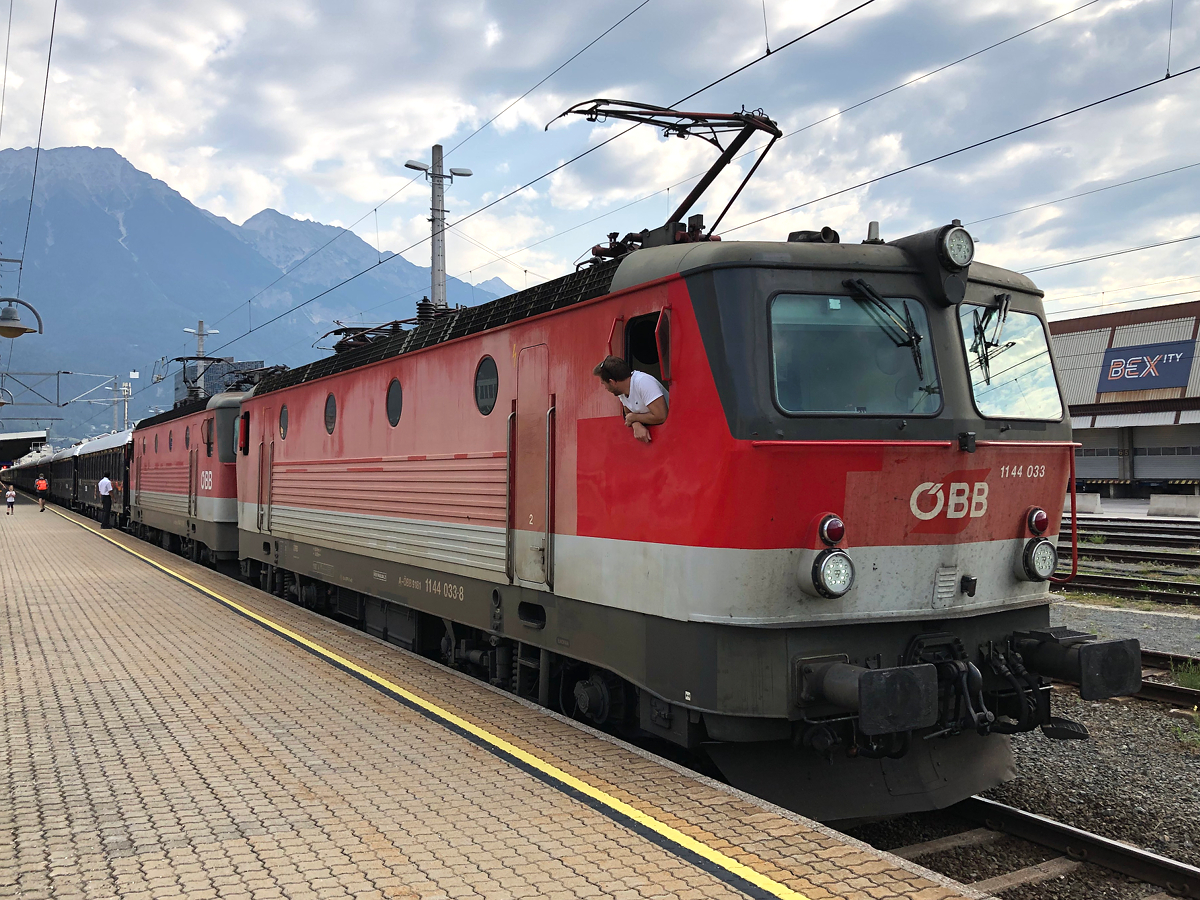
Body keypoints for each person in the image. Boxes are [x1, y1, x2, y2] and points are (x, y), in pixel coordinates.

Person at [592, 356, 668, 444]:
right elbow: (628, 414)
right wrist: (636, 424)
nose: (605, 388)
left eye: (604, 384)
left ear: (612, 382)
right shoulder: (622, 392)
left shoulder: (643, 382)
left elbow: (662, 416)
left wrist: (634, 417)